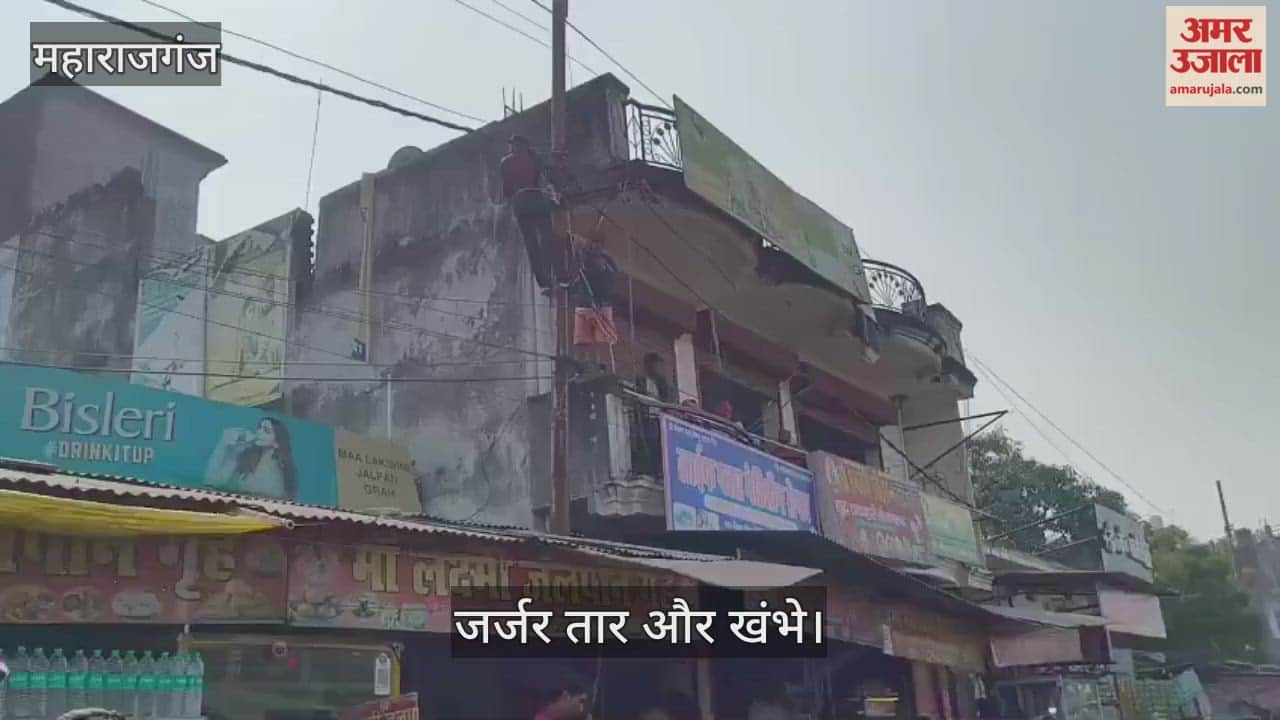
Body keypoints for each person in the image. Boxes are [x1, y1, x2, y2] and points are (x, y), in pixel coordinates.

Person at [501, 134, 566, 292]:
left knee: (540, 242)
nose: (513, 148)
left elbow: (507, 190)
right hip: (530, 203)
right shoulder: (527, 159)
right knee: (542, 241)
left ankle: (551, 280)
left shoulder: (513, 161)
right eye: (513, 145)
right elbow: (547, 172)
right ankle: (554, 279)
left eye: (515, 145)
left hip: (527, 204)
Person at [205, 417, 299, 500]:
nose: (259, 432)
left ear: (276, 443)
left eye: (266, 431)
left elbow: (269, 494)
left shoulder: (280, 468)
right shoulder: (247, 457)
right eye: (259, 428)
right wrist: (224, 445)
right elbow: (213, 481)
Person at [571, 241, 620, 347]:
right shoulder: (604, 273)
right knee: (604, 338)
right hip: (597, 304)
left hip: (595, 304)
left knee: (600, 338)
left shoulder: (592, 273)